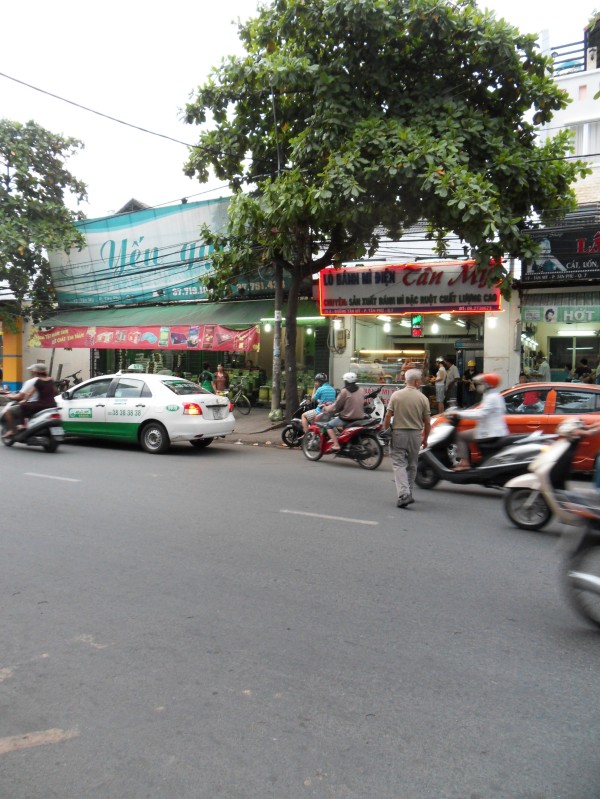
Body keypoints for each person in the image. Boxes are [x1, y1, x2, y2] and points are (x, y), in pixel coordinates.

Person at [383, 368, 431, 508]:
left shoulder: (396, 395)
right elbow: (427, 422)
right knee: (412, 465)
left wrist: (386, 431)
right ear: (416, 382)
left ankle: (404, 494)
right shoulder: (423, 398)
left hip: (399, 434)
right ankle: (408, 492)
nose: (420, 382)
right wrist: (425, 438)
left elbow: (388, 415)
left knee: (399, 464)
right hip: (415, 435)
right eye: (419, 380)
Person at [449, 372, 509, 471]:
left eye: (482, 383)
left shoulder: (491, 397)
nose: (480, 385)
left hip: (489, 432)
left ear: (488, 385)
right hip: (494, 431)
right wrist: (462, 412)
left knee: (460, 436)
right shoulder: (495, 395)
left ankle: (464, 463)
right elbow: (479, 411)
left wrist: (460, 414)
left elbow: (480, 413)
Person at [2, 363, 57, 438]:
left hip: (42, 404)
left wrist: (24, 400)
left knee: (22, 406)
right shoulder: (51, 380)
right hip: (53, 404)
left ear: (36, 372)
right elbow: (55, 391)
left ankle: (20, 426)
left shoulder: (37, 381)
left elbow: (29, 393)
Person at [320, 371, 365, 451]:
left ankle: (336, 445)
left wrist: (326, 408)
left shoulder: (344, 391)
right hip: (360, 418)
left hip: (347, 418)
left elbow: (336, 406)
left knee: (328, 426)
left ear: (346, 381)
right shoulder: (361, 390)